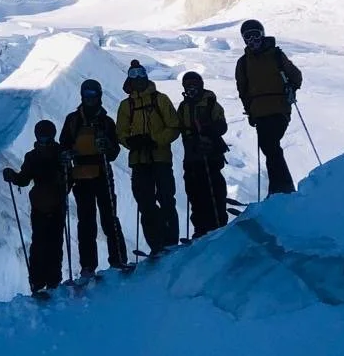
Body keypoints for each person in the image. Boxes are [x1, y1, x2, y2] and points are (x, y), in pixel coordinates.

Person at [58, 79, 128, 275]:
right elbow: (63, 145)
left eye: (93, 94)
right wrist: (66, 154)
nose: (90, 98)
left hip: (97, 173)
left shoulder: (104, 122)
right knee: (88, 222)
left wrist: (107, 147)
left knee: (106, 218)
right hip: (86, 175)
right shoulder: (76, 120)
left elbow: (114, 152)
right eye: (87, 94)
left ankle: (114, 260)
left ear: (98, 96)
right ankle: (92, 265)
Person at [114, 60, 181, 252]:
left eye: (140, 74)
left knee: (165, 199)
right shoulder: (126, 106)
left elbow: (174, 126)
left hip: (159, 159)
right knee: (145, 203)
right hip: (140, 160)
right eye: (133, 75)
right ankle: (157, 243)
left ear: (145, 76)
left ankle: (169, 242)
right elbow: (121, 132)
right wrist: (132, 142)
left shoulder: (160, 100)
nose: (137, 78)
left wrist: (154, 140)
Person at [235, 19, 303, 195]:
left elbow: (296, 76)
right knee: (269, 148)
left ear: (262, 35)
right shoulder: (243, 63)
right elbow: (243, 91)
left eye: (255, 35)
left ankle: (282, 189)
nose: (252, 40)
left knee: (269, 145)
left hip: (279, 109)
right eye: (248, 37)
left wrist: (291, 88)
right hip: (260, 113)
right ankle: (281, 189)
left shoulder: (276, 55)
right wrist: (250, 111)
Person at [3, 119, 69, 294]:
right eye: (42, 136)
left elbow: (24, 180)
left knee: (46, 243)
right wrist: (13, 177)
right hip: (52, 203)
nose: (44, 139)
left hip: (45, 204)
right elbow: (24, 179)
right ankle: (47, 281)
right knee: (48, 243)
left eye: (46, 136)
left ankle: (41, 282)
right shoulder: (56, 154)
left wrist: (13, 177)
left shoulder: (37, 156)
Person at [177, 72, 229, 236]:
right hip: (192, 157)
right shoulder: (183, 107)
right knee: (195, 194)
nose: (191, 88)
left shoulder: (210, 103)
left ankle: (218, 226)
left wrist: (209, 130)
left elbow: (222, 126)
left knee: (213, 192)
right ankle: (200, 229)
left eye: (194, 84)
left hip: (209, 156)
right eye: (188, 85)